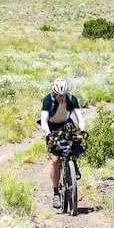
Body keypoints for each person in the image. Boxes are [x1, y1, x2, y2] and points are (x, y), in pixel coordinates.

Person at [39, 78, 86, 209]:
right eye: (59, 96)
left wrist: (82, 130)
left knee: (76, 144)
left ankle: (73, 165)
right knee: (55, 160)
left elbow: (79, 117)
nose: (61, 98)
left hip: (66, 125)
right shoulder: (48, 100)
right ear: (54, 94)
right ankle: (55, 193)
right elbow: (43, 120)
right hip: (52, 127)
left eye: (63, 95)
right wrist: (48, 134)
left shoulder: (71, 99)